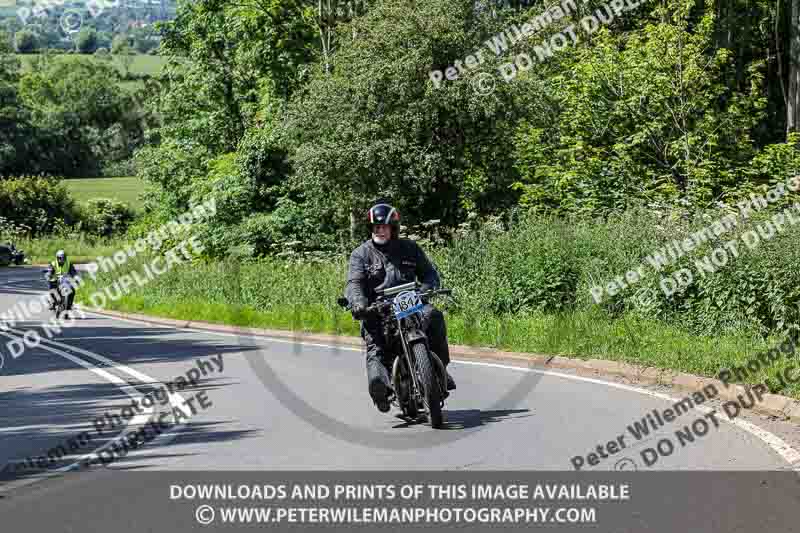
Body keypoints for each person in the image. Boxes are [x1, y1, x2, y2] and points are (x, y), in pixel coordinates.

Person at [345, 203, 456, 413]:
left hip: (411, 303)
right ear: (371, 228)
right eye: (376, 227)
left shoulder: (410, 248)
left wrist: (427, 288)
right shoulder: (361, 254)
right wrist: (359, 303)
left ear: (393, 228)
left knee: (433, 315)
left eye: (384, 227)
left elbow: (430, 274)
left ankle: (438, 370)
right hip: (379, 310)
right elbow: (354, 283)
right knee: (375, 345)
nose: (380, 230)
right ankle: (380, 387)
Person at [46, 250, 78, 315]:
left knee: (72, 290)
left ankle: (69, 305)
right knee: (51, 287)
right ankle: (53, 302)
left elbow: (73, 272)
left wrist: (75, 277)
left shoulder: (68, 263)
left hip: (65, 281)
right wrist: (49, 274)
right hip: (55, 280)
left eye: (63, 258)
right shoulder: (53, 263)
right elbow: (49, 270)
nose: (62, 259)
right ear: (57, 258)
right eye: (60, 258)